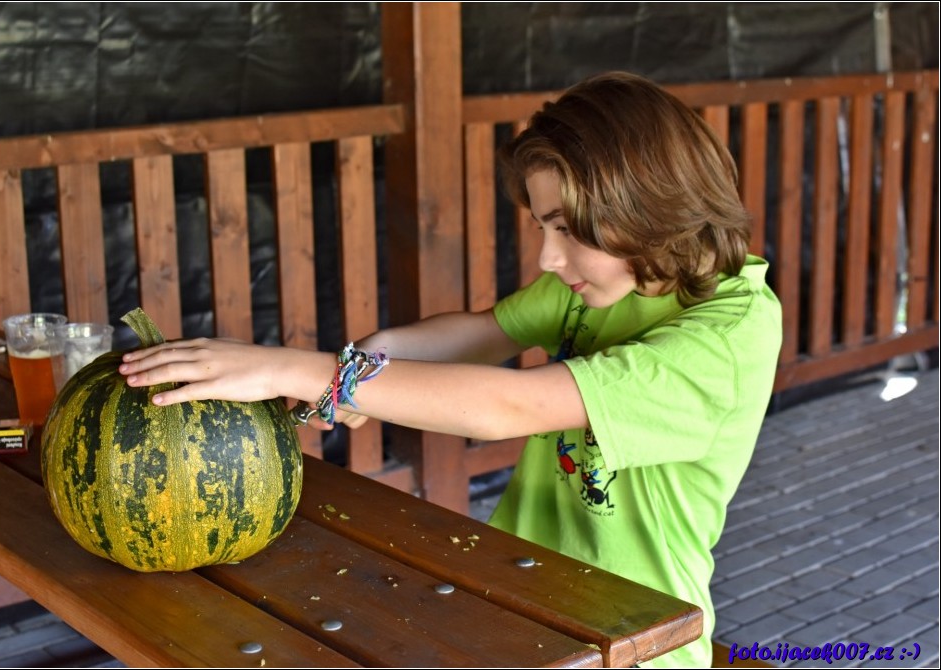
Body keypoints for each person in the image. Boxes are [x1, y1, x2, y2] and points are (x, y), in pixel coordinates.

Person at [119, 71, 782, 668]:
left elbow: (515, 406)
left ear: (649, 204)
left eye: (567, 229)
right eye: (540, 228)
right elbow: (483, 331)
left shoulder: (727, 340)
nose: (549, 259)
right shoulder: (620, 277)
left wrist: (307, 372)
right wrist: (367, 358)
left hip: (635, 645)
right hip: (523, 602)